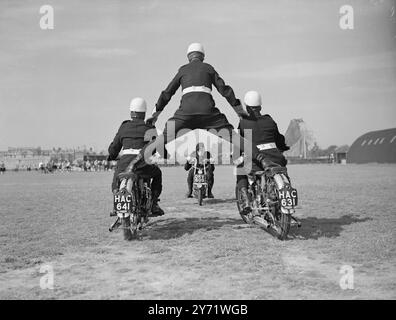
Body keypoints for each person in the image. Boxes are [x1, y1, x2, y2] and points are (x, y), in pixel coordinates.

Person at [142, 42, 260, 163]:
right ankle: (265, 161)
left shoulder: (182, 70)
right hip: (209, 114)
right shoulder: (208, 68)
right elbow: (225, 90)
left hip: (185, 114)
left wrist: (155, 115)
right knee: (234, 137)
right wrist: (239, 111)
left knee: (162, 139)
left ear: (189, 57)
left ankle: (132, 166)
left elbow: (167, 93)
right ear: (203, 57)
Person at [107, 97, 164, 216]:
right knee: (157, 173)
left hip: (124, 163)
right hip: (142, 163)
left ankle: (116, 204)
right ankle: (153, 203)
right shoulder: (149, 128)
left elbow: (114, 147)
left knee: (116, 180)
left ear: (131, 112)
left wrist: (111, 155)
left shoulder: (124, 127)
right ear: (144, 114)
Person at [235, 91, 290, 213]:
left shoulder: (244, 122)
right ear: (260, 106)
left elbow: (241, 142)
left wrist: (238, 156)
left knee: (240, 169)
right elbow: (278, 139)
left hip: (256, 161)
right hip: (276, 158)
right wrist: (283, 147)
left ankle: (245, 201)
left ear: (247, 107)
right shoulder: (269, 120)